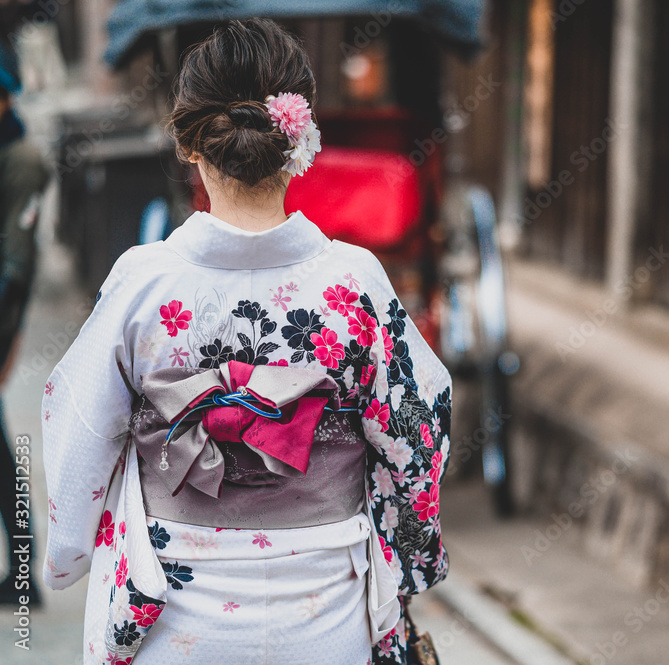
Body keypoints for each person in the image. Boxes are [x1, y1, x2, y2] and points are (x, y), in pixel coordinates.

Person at [40, 19, 451, 665]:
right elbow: (416, 435)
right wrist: (414, 558)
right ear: (299, 137)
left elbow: (79, 428)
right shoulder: (356, 282)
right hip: (326, 617)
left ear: (187, 144)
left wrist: (65, 553)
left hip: (172, 619)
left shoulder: (142, 282)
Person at [0, 39, 50, 606]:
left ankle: (21, 569)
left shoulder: (21, 160)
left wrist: (10, 336)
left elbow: (16, 266)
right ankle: (20, 569)